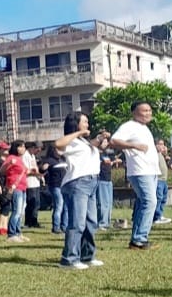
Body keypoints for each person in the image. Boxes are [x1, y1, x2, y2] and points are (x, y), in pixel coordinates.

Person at [54, 112, 106, 269]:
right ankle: (69, 259)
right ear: (76, 124)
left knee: (91, 222)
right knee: (77, 222)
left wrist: (100, 139)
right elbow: (58, 144)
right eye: (84, 121)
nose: (87, 124)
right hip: (77, 183)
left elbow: (93, 148)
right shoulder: (71, 140)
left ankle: (87, 255)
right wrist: (79, 133)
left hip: (92, 181)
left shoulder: (83, 142)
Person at [109, 102, 160, 249]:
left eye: (150, 110)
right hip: (140, 171)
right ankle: (139, 238)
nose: (148, 113)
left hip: (150, 171)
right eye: (144, 110)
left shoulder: (144, 128)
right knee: (150, 202)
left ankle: (137, 239)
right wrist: (134, 146)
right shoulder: (129, 126)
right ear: (134, 112)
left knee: (143, 203)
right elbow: (114, 140)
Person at [0, 140, 29, 243]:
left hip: (23, 187)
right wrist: (9, 165)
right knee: (16, 211)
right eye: (21, 146)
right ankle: (11, 234)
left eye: (24, 147)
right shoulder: (11, 158)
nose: (23, 149)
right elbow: (1, 171)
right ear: (16, 148)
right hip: (15, 187)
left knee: (21, 212)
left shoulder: (20, 159)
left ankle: (18, 232)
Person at [39, 145, 69, 233]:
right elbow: (42, 170)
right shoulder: (49, 160)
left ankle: (64, 226)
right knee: (59, 205)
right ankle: (56, 227)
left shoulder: (63, 159)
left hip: (64, 185)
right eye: (58, 149)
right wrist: (43, 168)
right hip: (55, 186)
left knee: (65, 207)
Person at [97, 145, 118, 229]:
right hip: (101, 180)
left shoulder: (108, 154)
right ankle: (102, 223)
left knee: (109, 203)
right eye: (104, 141)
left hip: (109, 181)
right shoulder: (98, 154)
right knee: (103, 203)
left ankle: (107, 222)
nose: (106, 143)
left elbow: (116, 159)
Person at [23, 142, 43, 228]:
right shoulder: (25, 156)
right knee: (31, 203)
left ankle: (34, 220)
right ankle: (28, 221)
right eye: (37, 149)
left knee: (36, 203)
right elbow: (26, 170)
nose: (38, 151)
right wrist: (35, 172)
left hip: (36, 182)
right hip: (30, 182)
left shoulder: (33, 156)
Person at [152, 138, 172, 224]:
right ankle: (156, 217)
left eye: (163, 144)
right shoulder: (153, 153)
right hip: (158, 180)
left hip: (164, 180)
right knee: (158, 198)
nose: (162, 146)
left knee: (163, 198)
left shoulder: (161, 154)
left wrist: (165, 154)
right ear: (155, 145)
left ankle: (160, 214)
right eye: (160, 144)